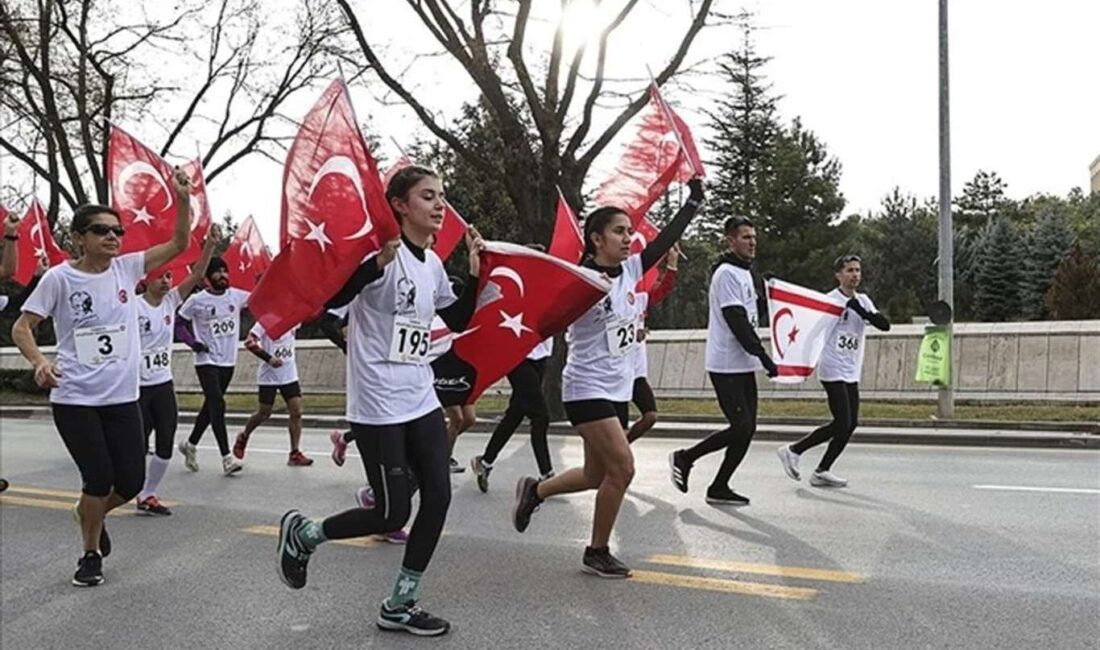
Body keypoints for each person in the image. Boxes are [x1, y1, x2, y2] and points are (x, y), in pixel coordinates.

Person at [276, 165, 482, 636]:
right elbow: (326, 305)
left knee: (438, 497)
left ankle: (400, 604)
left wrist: (473, 272)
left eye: (442, 196)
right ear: (399, 205)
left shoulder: (431, 264)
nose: (439, 205)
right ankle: (306, 534)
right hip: (377, 403)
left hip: (419, 394)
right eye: (428, 196)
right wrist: (371, 268)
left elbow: (455, 315)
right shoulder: (375, 257)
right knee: (390, 513)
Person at [511, 179, 704, 578]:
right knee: (623, 469)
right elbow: (545, 318)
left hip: (617, 387)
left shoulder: (632, 269)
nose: (629, 238)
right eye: (619, 231)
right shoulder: (579, 279)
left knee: (594, 475)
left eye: (630, 232)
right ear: (596, 239)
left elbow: (664, 238)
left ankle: (536, 490)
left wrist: (693, 202)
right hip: (586, 386)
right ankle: (596, 551)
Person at [11, 167, 193, 586]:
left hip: (122, 398)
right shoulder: (59, 278)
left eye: (118, 230)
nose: (112, 237)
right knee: (96, 478)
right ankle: (90, 553)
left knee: (129, 482)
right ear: (78, 237)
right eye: (100, 230)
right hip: (75, 398)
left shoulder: (126, 269)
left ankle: (89, 511)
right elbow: (23, 327)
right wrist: (40, 361)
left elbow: (181, 243)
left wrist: (182, 199)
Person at [669, 216, 778, 506]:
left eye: (754, 237)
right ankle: (685, 457)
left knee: (747, 428)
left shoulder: (744, 272)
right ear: (730, 240)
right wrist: (763, 355)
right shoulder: (727, 273)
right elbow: (736, 320)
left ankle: (719, 486)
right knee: (741, 427)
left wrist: (770, 298)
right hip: (726, 363)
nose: (752, 242)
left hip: (743, 363)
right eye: (745, 237)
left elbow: (753, 317)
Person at [777, 255, 890, 487]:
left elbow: (884, 325)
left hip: (851, 368)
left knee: (851, 423)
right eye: (849, 270)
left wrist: (862, 311)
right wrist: (804, 360)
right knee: (842, 422)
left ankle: (822, 470)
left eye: (858, 270)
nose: (855, 275)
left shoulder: (864, 300)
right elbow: (810, 331)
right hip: (832, 367)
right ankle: (793, 450)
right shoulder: (829, 300)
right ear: (838, 275)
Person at [133, 228, 218, 515]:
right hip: (135, 387)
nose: (168, 280)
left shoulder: (171, 301)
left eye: (169, 276)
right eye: (162, 276)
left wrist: (209, 246)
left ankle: (148, 493)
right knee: (136, 445)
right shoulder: (133, 307)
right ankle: (124, 486)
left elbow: (195, 277)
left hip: (162, 384)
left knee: (166, 440)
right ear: (147, 281)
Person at [175, 258, 249, 475]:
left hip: (228, 360)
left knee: (210, 407)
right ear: (208, 278)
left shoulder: (237, 296)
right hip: (206, 359)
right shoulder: (198, 300)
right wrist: (193, 343)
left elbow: (262, 298)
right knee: (218, 404)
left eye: (225, 271)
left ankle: (190, 444)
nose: (223, 275)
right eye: (217, 272)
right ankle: (227, 458)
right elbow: (178, 323)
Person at [233, 322, 313, 466]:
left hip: (289, 374)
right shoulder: (265, 321)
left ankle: (294, 453)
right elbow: (249, 342)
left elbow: (311, 313)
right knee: (264, 413)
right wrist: (268, 358)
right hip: (269, 375)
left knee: (297, 412)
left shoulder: (293, 318)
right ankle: (244, 436)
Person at [626, 245, 679, 444]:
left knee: (650, 416)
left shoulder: (640, 299)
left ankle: (619, 451)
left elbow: (664, 289)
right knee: (617, 433)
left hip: (637, 372)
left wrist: (672, 263)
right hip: (617, 373)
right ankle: (613, 458)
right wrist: (633, 333)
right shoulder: (610, 296)